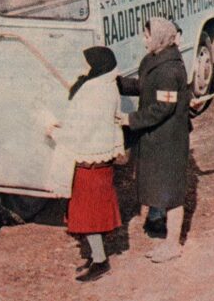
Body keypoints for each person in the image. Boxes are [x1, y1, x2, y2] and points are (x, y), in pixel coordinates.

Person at [46, 47, 124, 282]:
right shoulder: (107, 85)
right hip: (101, 160)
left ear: (96, 66)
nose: (84, 68)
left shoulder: (93, 91)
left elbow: (79, 131)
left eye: (87, 64)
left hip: (89, 161)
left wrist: (54, 132)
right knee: (94, 213)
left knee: (88, 214)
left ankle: (100, 261)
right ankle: (96, 256)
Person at [117, 17, 190, 263]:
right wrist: (119, 84)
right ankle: (166, 239)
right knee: (162, 190)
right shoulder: (154, 60)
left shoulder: (170, 69)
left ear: (158, 37)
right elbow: (145, 87)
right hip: (156, 138)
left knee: (172, 193)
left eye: (147, 35)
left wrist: (131, 119)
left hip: (168, 140)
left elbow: (163, 107)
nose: (143, 39)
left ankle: (173, 244)